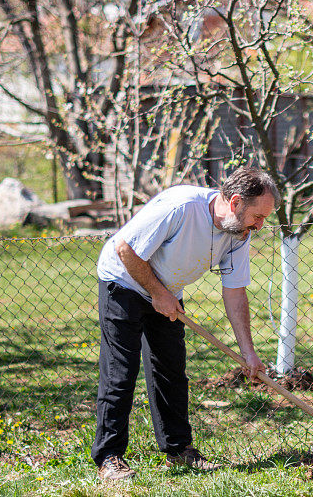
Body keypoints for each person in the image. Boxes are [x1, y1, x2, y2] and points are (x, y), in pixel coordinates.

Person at [92, 167, 280, 481]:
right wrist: (157, 293)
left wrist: (249, 353)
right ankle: (109, 456)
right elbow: (125, 248)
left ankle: (178, 451)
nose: (260, 226)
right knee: (120, 371)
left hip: (166, 290)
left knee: (171, 371)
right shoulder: (181, 207)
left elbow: (234, 293)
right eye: (258, 216)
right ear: (234, 203)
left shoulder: (238, 233)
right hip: (123, 280)